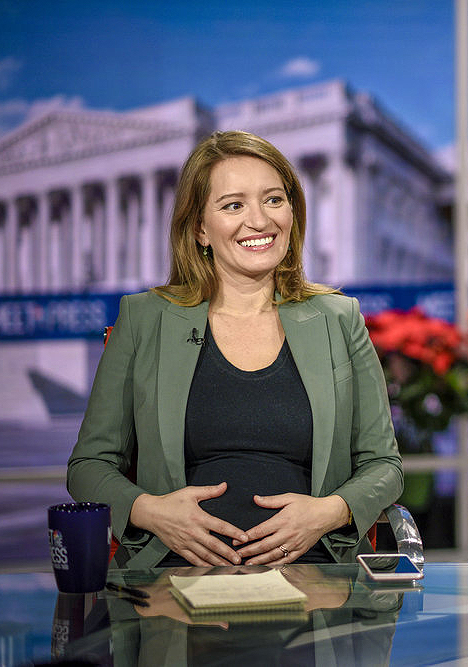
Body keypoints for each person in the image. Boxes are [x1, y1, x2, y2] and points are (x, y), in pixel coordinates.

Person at [68, 131, 402, 569]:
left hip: (316, 574)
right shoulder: (145, 318)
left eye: (274, 200)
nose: (260, 221)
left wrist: (328, 512)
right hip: (176, 576)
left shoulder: (338, 318)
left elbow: (385, 466)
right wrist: (152, 511)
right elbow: (88, 467)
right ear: (200, 228)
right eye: (234, 205)